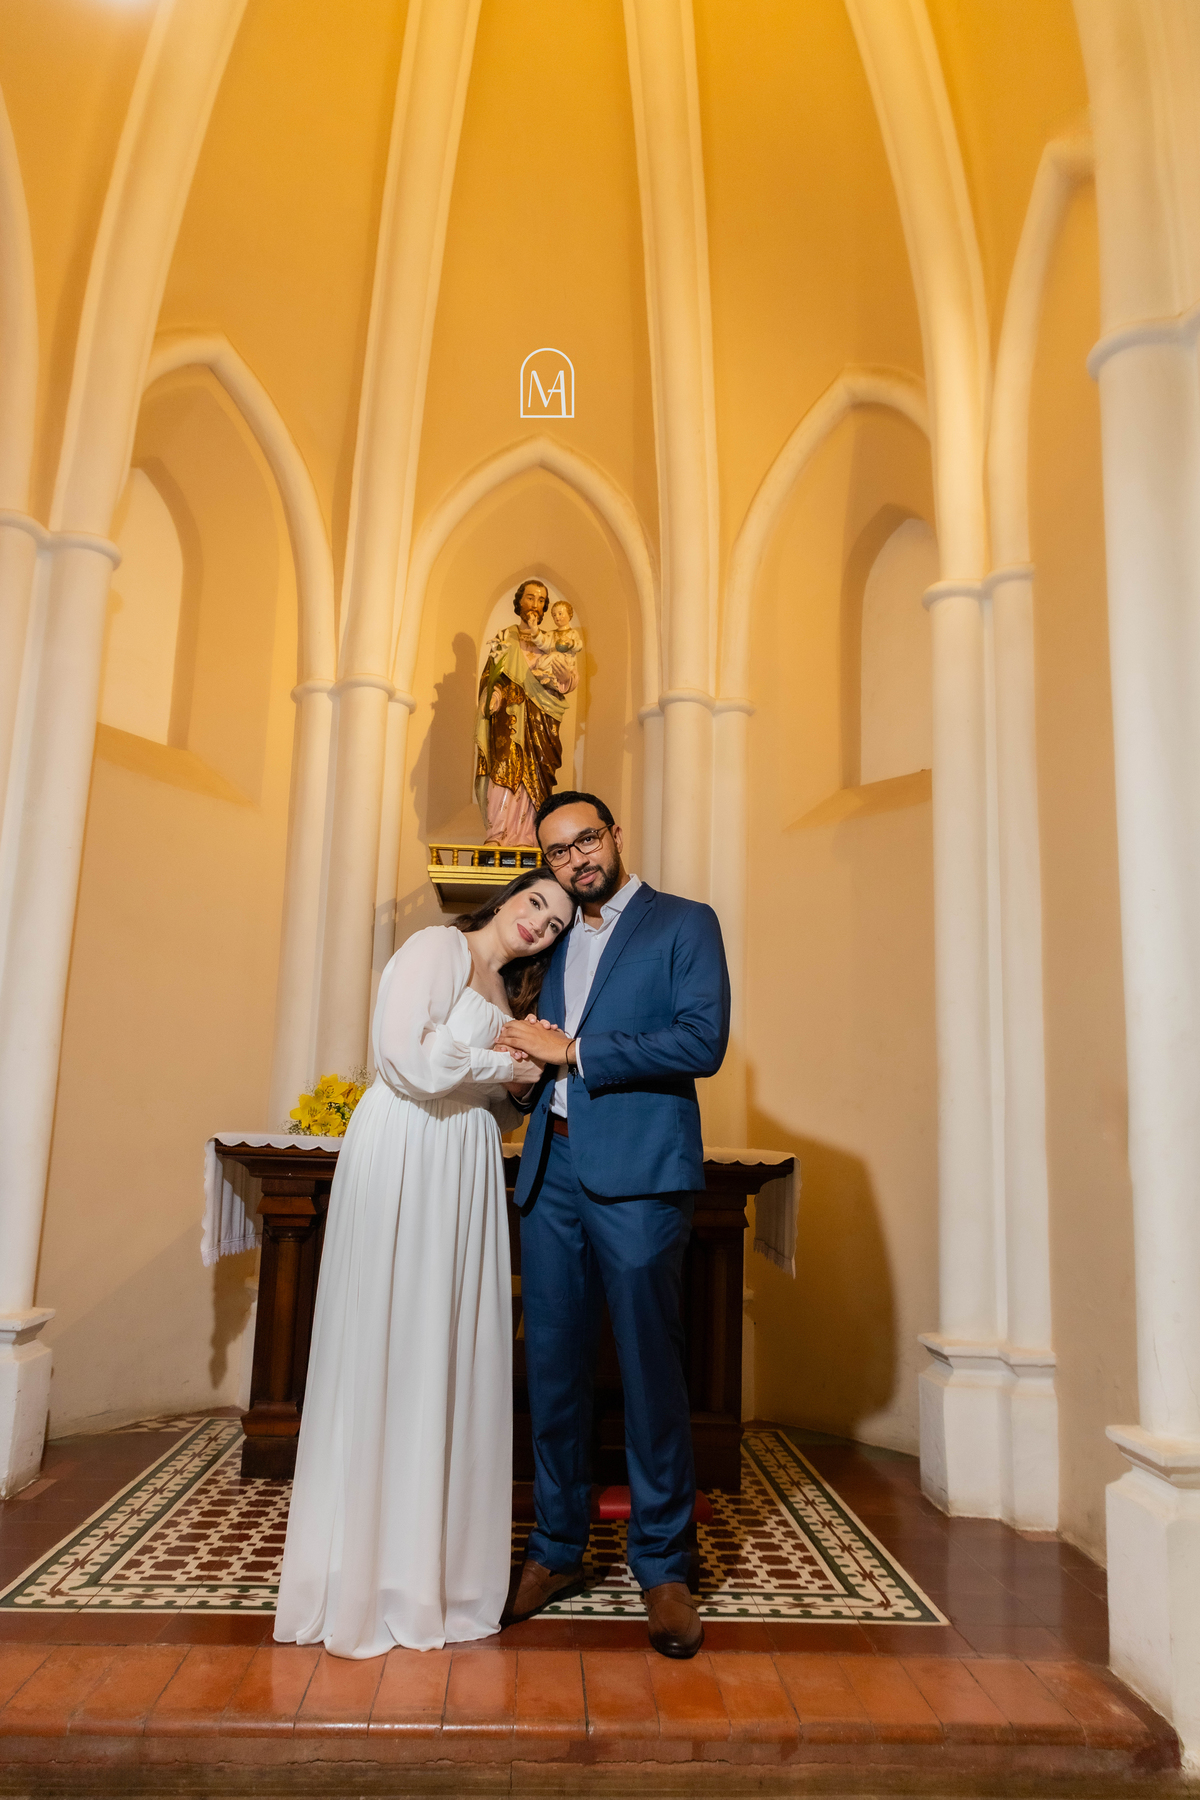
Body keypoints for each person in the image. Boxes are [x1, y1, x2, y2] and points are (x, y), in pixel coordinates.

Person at [273, 868, 574, 1658]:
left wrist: (517, 1076)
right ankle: (366, 1571)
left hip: (465, 1158)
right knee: (391, 1336)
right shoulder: (437, 947)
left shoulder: (509, 996)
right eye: (536, 902)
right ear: (507, 898)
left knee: (448, 1347)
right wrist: (509, 1065)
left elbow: (496, 1098)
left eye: (556, 922)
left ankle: (434, 1571)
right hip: (407, 1143)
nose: (540, 923)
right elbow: (407, 1056)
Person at [496, 792, 731, 1659]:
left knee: (648, 1368)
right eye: (558, 852)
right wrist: (523, 1070)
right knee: (552, 1369)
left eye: (586, 840)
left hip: (639, 1175)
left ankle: (663, 1565)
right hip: (551, 1172)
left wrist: (575, 1053)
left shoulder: (684, 922)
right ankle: (556, 1548)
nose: (576, 861)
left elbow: (701, 1041)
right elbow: (532, 1040)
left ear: (615, 835)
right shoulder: (552, 935)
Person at [474, 580, 577, 847]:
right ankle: (498, 834)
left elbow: (568, 677)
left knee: (537, 770)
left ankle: (529, 835)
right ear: (519, 602)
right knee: (503, 767)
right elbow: (492, 676)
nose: (535, 605)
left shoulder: (553, 640)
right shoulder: (505, 637)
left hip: (542, 717)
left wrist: (565, 677)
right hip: (507, 716)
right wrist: (493, 695)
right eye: (530, 598)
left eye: (541, 600)